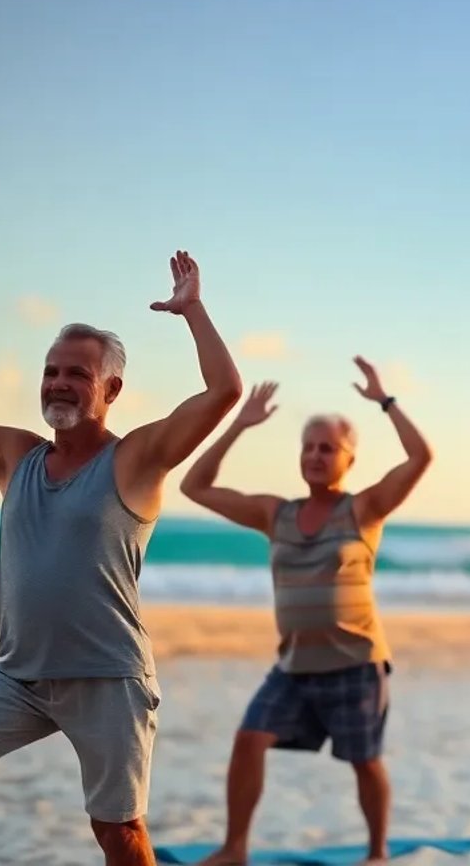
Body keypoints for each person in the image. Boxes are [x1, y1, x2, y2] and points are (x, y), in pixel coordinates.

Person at [0, 251, 243, 866]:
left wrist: (193, 311)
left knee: (120, 834)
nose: (57, 383)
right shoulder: (15, 455)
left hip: (108, 677)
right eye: (51, 371)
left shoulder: (134, 459)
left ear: (111, 388)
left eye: (76, 373)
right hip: (19, 672)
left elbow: (224, 391)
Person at [176, 357, 434, 865]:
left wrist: (386, 401)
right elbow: (195, 487)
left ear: (349, 460)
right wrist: (239, 426)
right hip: (294, 667)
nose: (315, 456)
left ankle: (378, 853)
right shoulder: (277, 513)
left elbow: (421, 457)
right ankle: (234, 848)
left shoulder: (363, 509)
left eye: (328, 448)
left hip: (356, 665)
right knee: (249, 738)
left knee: (365, 762)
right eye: (308, 447)